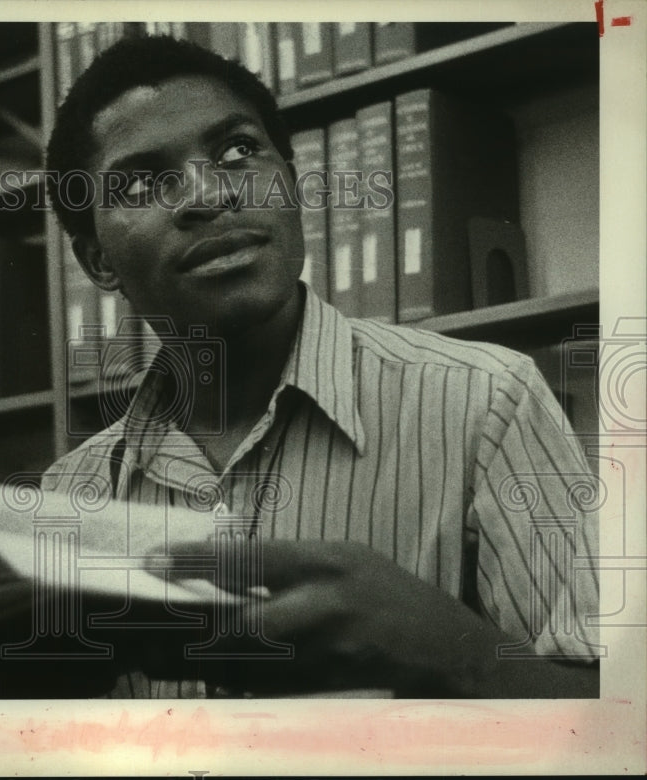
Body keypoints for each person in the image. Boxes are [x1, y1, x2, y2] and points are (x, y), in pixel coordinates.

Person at [40, 34, 600, 698]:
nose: (210, 194)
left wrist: (450, 650)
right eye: (140, 183)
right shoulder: (69, 493)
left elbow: (619, 719)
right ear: (98, 260)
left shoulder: (488, 403)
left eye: (238, 151)